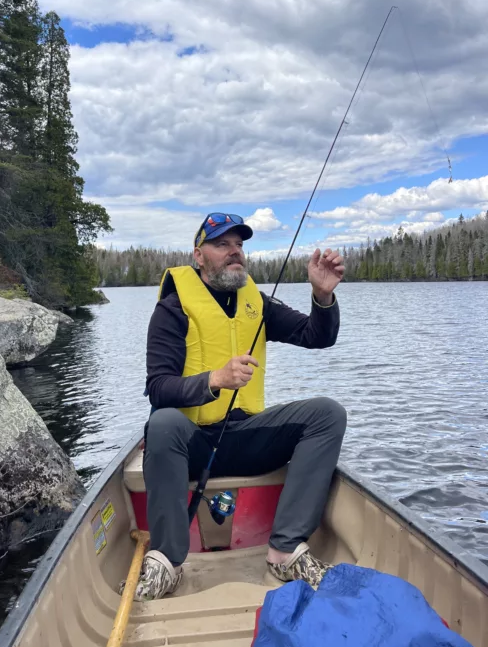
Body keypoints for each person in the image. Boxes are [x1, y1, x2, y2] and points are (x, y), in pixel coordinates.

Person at [133, 211, 346, 602]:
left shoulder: (256, 302)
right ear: (199, 255)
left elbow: (317, 336)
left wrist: (322, 296)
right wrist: (214, 380)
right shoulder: (172, 308)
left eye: (239, 244)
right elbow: (158, 388)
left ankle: (285, 551)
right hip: (191, 444)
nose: (235, 252)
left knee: (327, 413)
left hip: (245, 438)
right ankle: (166, 561)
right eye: (222, 244)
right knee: (161, 424)